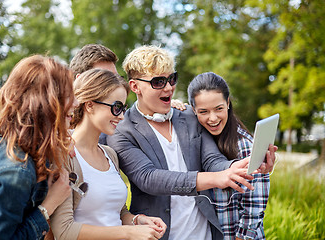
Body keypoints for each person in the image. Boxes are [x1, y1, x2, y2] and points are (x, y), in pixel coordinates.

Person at [107, 45, 277, 240]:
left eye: (171, 79)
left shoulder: (188, 115)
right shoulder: (121, 130)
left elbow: (213, 160)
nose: (169, 87)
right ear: (135, 86)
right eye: (158, 82)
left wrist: (244, 166)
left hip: (205, 234)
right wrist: (216, 178)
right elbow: (149, 178)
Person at [0, 55, 77, 239]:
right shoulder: (17, 172)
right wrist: (48, 206)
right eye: (67, 96)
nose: (76, 103)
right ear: (45, 104)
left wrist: (55, 138)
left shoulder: (0, 126)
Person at [49, 69, 167, 240]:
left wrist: (137, 220)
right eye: (116, 107)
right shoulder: (65, 155)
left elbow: (117, 212)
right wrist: (128, 233)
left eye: (123, 108)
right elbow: (64, 231)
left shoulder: (109, 154)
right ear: (90, 105)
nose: (121, 116)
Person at [185, 72, 270, 240]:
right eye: (203, 111)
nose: (213, 118)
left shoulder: (244, 145)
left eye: (219, 109)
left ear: (228, 103)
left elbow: (254, 207)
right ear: (193, 110)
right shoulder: (194, 139)